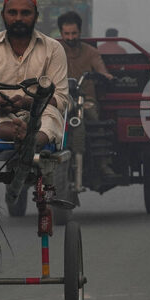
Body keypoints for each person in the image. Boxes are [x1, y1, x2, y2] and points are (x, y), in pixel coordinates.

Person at [0, 0, 69, 148]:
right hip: (1, 114)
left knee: (52, 116)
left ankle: (33, 140)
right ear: (3, 15)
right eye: (12, 13)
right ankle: (21, 134)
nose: (18, 18)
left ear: (36, 16)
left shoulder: (53, 48)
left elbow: (61, 100)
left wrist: (25, 103)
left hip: (38, 112)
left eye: (25, 13)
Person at [57, 12, 117, 177]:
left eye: (74, 33)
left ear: (80, 32)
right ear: (61, 34)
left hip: (85, 100)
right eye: (67, 34)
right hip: (58, 100)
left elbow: (100, 68)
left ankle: (103, 164)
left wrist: (106, 76)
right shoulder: (53, 51)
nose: (71, 37)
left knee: (94, 118)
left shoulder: (90, 52)